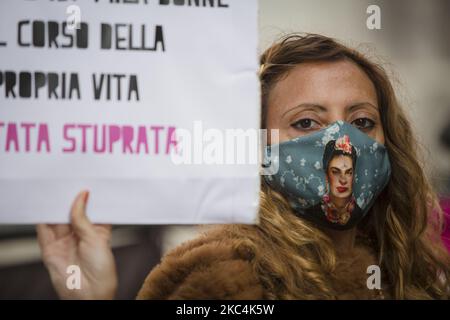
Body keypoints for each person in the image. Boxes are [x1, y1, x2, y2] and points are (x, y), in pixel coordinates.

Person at [37, 33, 450, 299]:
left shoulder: (413, 265)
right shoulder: (221, 281)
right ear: (256, 148)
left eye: (361, 122)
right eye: (306, 122)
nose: (343, 142)